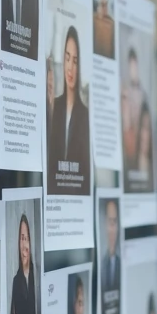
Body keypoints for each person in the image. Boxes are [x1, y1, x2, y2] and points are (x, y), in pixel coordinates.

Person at [48, 26, 91, 194]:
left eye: (75, 60)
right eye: (67, 58)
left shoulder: (85, 115)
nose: (70, 67)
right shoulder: (55, 107)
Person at [8, 212, 39, 314]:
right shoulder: (15, 281)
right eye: (21, 238)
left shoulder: (38, 277)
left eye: (26, 239)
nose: (24, 244)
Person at [121, 48, 143, 181]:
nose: (132, 70)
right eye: (131, 66)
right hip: (128, 140)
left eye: (134, 66)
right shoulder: (125, 92)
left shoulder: (141, 95)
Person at [100, 200, 121, 314]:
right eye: (109, 222)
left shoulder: (120, 263)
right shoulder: (102, 265)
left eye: (115, 222)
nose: (112, 229)